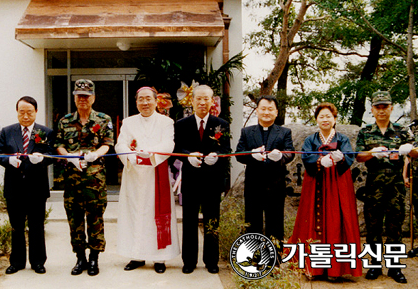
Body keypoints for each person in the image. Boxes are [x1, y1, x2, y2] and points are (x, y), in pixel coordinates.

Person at [287, 102, 362, 280]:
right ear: (316, 120)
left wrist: (340, 158)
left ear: (335, 119)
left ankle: (335, 269)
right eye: (321, 116)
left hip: (338, 183)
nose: (325, 119)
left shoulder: (342, 139)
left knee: (337, 219)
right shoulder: (311, 140)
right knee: (312, 219)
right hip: (315, 183)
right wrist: (320, 161)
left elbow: (349, 156)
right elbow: (306, 157)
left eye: (329, 116)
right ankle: (314, 267)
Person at [115, 87, 180, 273]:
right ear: (136, 102)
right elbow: (120, 143)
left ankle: (159, 258)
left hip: (155, 174)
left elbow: (169, 144)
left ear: (155, 101)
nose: (145, 103)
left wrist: (150, 154)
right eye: (141, 99)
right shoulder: (128, 122)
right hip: (134, 175)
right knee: (134, 215)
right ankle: (136, 255)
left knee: (154, 216)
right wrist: (133, 157)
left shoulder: (166, 122)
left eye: (148, 99)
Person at [356, 91, 418, 284]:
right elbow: (358, 155)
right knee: (373, 227)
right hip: (374, 184)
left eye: (385, 106)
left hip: (396, 186)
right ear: (372, 109)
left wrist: (410, 150)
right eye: (378, 107)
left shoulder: (402, 131)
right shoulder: (365, 131)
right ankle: (374, 265)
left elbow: (416, 152)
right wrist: (372, 153)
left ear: (391, 108)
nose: (381, 110)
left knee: (395, 227)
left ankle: (394, 267)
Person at [55, 79, 114, 276]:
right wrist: (70, 157)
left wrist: (96, 154)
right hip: (72, 179)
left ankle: (94, 259)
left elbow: (108, 143)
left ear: (93, 98)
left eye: (86, 96)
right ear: (74, 98)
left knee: (95, 219)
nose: (82, 99)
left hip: (95, 180)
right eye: (79, 96)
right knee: (75, 219)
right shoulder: (64, 121)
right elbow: (59, 144)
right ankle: (80, 258)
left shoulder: (103, 119)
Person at [0, 96, 54, 275]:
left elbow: (52, 153)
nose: (26, 116)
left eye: (29, 112)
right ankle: (17, 262)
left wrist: (42, 159)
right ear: (17, 112)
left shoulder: (46, 132)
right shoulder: (7, 131)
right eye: (22, 112)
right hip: (14, 186)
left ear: (36, 112)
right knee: (16, 226)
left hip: (37, 186)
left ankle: (38, 261)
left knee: (37, 225)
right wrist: (8, 160)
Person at [173, 85, 230, 274]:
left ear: (212, 101)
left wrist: (217, 154)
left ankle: (211, 261)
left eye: (207, 99)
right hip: (190, 179)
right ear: (192, 100)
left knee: (212, 221)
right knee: (189, 220)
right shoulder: (182, 124)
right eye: (199, 98)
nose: (203, 102)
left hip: (212, 180)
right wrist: (188, 156)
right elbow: (176, 149)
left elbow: (226, 150)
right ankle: (189, 261)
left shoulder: (221, 124)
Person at [235, 95, 295, 246]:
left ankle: (274, 260)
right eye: (263, 109)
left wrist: (280, 157)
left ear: (276, 112)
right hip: (253, 184)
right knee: (252, 222)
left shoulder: (284, 132)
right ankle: (253, 258)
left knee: (275, 222)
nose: (266, 112)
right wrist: (252, 155)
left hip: (276, 184)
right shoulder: (247, 132)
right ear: (257, 111)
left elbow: (290, 153)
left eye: (270, 109)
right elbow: (239, 154)